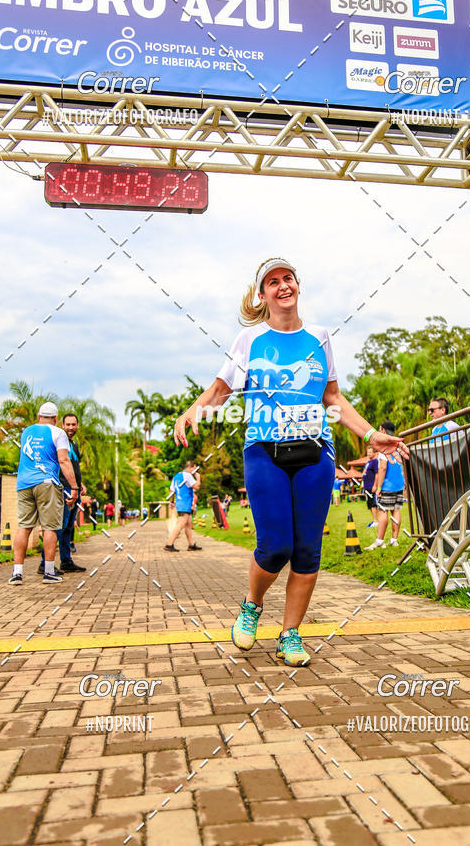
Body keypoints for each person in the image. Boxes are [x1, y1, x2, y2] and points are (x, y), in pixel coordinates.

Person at [173, 258, 408, 667]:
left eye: (288, 279)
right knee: (275, 544)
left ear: (297, 286)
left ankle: (291, 634)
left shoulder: (319, 337)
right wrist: (193, 410)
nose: (283, 286)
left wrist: (370, 435)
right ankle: (252, 605)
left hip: (316, 452)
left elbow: (333, 398)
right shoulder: (249, 340)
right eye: (272, 282)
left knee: (307, 550)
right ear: (261, 295)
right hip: (265, 450)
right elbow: (221, 388)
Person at [9, 402, 78, 584]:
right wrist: (75, 487)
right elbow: (64, 461)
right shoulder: (58, 432)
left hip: (23, 483)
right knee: (50, 527)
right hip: (46, 483)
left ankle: (17, 573)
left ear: (39, 416)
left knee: (24, 526)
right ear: (56, 418)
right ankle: (48, 572)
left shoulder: (27, 431)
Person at [44, 413, 87, 574]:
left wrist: (79, 484)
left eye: (73, 424)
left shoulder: (74, 444)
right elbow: (60, 464)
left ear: (77, 426)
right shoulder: (58, 442)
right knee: (57, 526)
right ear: (62, 425)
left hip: (74, 489)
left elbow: (73, 466)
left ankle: (66, 561)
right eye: (68, 424)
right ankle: (45, 563)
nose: (70, 427)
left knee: (69, 527)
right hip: (62, 489)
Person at [367, 420, 406, 550]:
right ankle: (394, 540)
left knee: (383, 510)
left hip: (387, 485)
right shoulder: (399, 445)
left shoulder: (384, 445)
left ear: (383, 430)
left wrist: (378, 487)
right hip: (399, 484)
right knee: (396, 510)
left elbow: (382, 467)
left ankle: (379, 540)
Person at [165, 460, 202, 552]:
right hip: (185, 503)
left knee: (188, 524)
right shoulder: (187, 475)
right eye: (194, 468)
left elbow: (171, 490)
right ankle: (169, 544)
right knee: (181, 524)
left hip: (180, 502)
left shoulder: (176, 476)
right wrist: (198, 478)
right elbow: (196, 487)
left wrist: (172, 501)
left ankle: (191, 545)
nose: (195, 471)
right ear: (190, 467)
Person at [362, 445, 379, 528]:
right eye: (368, 452)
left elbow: (377, 474)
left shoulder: (375, 461)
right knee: (369, 504)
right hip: (366, 486)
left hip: (371, 486)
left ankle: (376, 521)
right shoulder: (368, 462)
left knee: (373, 503)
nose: (368, 454)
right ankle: (374, 520)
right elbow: (364, 473)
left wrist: (375, 485)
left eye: (370, 452)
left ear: (374, 453)